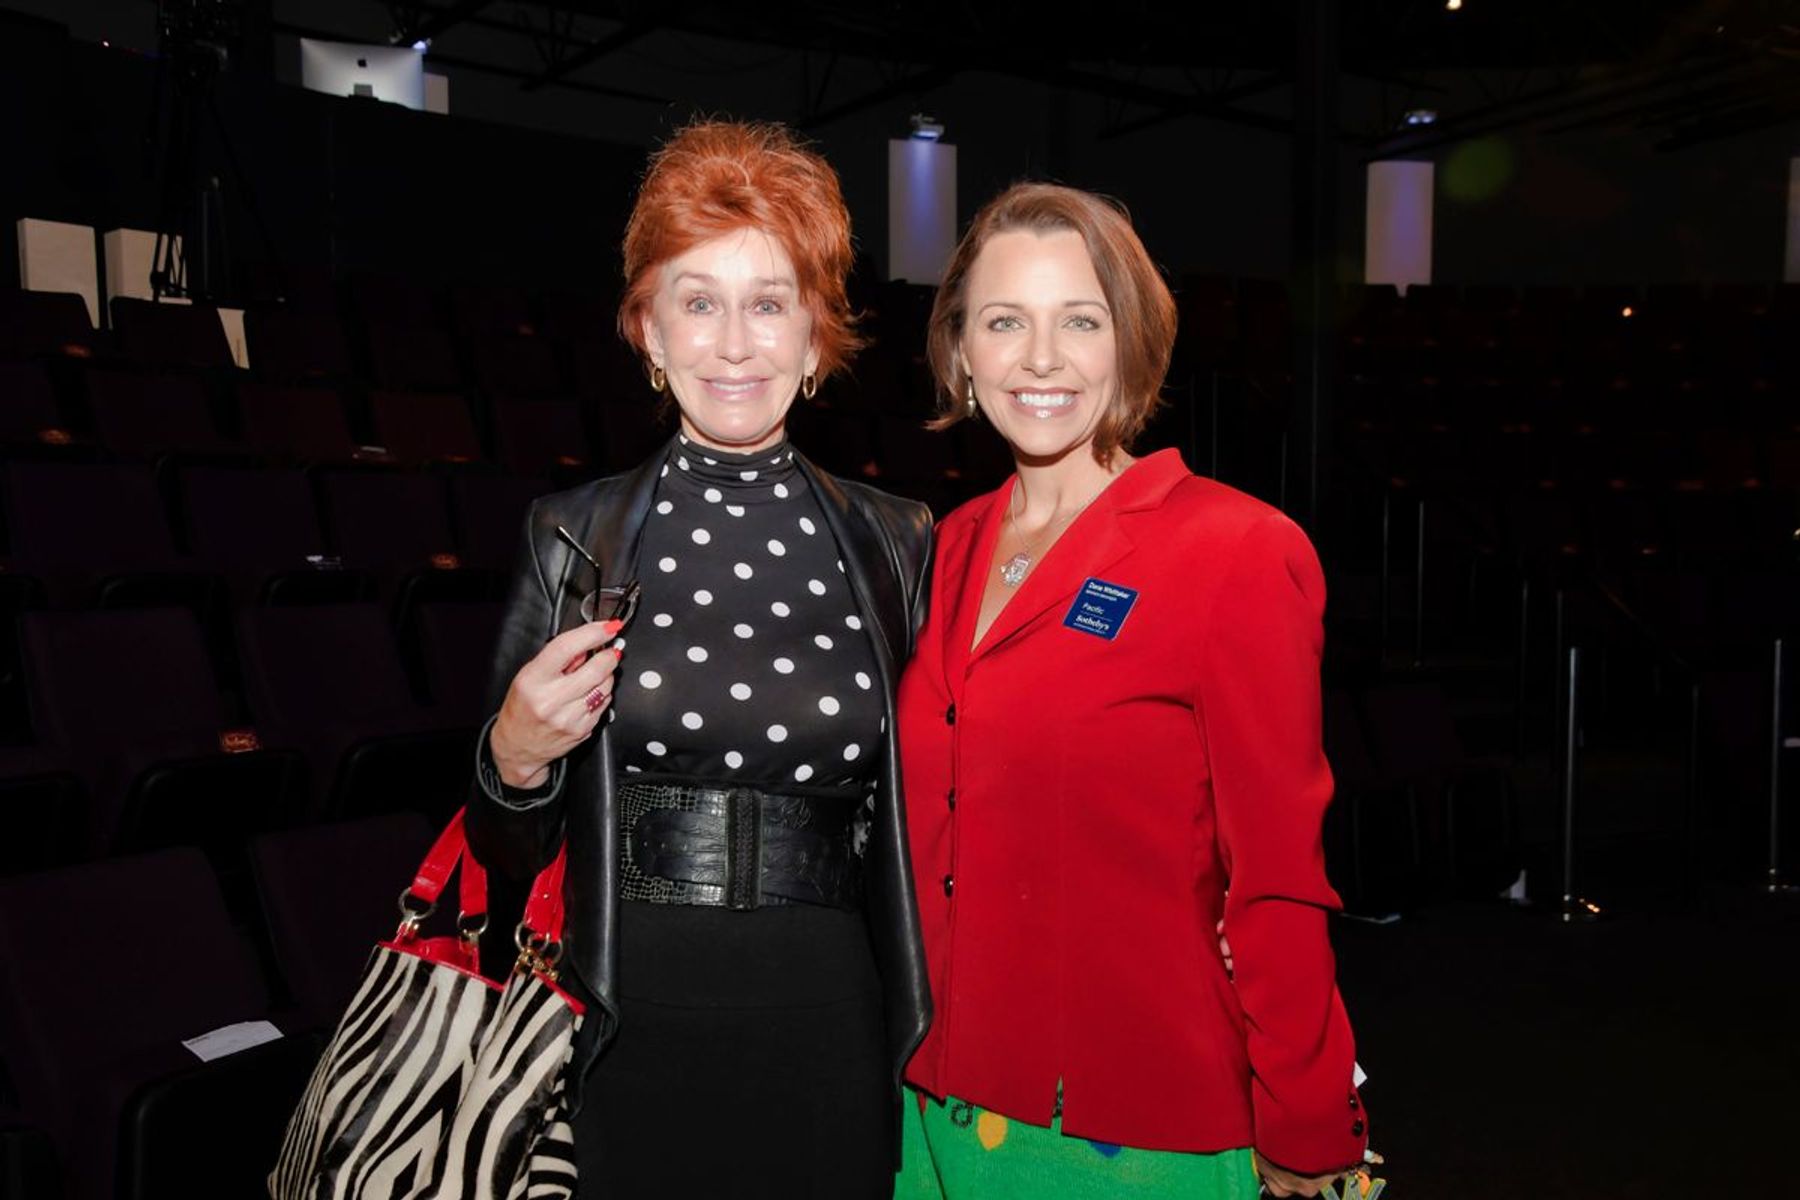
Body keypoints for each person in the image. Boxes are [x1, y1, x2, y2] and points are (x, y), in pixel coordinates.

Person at [464, 120, 933, 1198]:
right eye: (698, 302)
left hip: (834, 1015)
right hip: (622, 1015)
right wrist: (515, 756)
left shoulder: (899, 540)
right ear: (650, 331)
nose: (734, 344)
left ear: (815, 340)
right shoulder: (571, 533)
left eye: (769, 304)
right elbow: (502, 846)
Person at [893, 182, 1370, 1200]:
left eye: (1081, 320)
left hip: (1130, 1126)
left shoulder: (1235, 550)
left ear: (1133, 342)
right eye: (1004, 322)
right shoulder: (937, 550)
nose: (1041, 358)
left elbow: (1276, 877)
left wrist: (1306, 1118)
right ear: (960, 351)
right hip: (926, 1103)